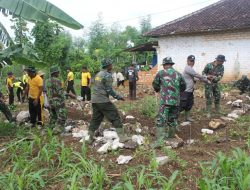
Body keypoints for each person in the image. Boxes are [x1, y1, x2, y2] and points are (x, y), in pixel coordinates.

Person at [89, 58, 127, 143]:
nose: (112, 66)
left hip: (94, 100)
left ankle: (89, 138)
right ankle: (122, 137)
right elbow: (109, 90)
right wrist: (118, 97)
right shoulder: (107, 75)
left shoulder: (98, 74)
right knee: (115, 116)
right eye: (111, 64)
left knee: (95, 119)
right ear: (108, 65)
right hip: (102, 100)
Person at [152, 57, 186, 147]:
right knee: (173, 120)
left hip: (165, 101)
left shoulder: (161, 73)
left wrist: (158, 89)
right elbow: (184, 86)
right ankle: (171, 138)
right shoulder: (178, 74)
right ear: (171, 64)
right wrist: (176, 92)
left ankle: (159, 142)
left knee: (161, 120)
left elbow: (155, 84)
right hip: (176, 102)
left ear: (164, 65)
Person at [180, 55, 210, 121]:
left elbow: (195, 78)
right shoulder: (188, 68)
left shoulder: (191, 69)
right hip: (185, 91)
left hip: (190, 90)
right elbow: (197, 75)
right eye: (190, 61)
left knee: (189, 104)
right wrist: (206, 79)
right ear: (187, 61)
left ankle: (187, 118)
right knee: (182, 105)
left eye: (193, 61)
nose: (192, 62)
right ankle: (174, 120)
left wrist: (205, 79)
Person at [47, 66, 67, 133]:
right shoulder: (57, 80)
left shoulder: (47, 80)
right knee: (62, 116)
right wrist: (68, 95)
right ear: (55, 73)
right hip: (57, 101)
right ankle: (58, 130)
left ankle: (50, 129)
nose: (58, 73)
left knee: (53, 116)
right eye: (58, 72)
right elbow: (60, 92)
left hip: (50, 101)